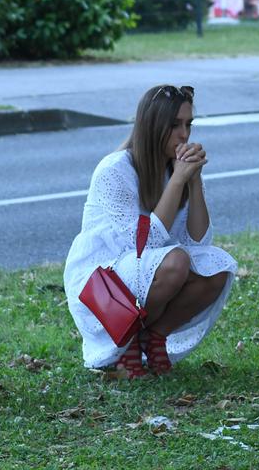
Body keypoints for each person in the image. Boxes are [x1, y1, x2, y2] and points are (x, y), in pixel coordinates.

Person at [64, 85, 236, 377]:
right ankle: (126, 339)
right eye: (175, 125)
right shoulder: (115, 169)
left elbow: (199, 241)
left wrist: (193, 181)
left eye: (188, 124)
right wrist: (178, 181)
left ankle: (153, 335)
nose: (185, 134)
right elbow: (144, 242)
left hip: (147, 271)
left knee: (217, 268)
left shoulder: (176, 169)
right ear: (154, 126)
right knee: (176, 262)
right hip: (101, 284)